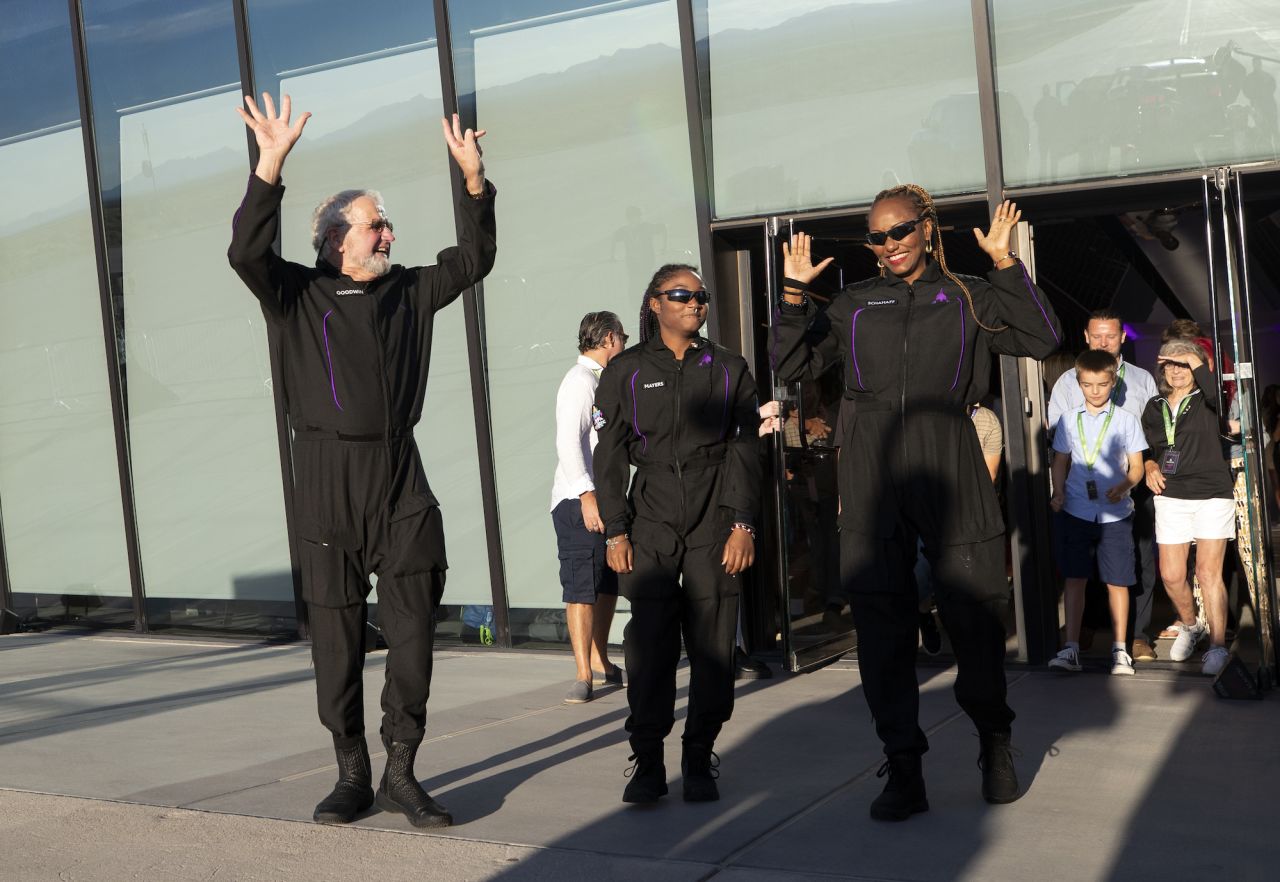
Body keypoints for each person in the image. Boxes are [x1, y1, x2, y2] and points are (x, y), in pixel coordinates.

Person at [227, 93, 495, 828]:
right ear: (339, 239)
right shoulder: (296, 295)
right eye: (376, 223)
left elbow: (476, 257)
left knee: (411, 640)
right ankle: (351, 770)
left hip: (399, 478)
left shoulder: (411, 290)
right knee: (337, 647)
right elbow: (245, 251)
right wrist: (270, 165)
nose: (388, 232)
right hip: (324, 482)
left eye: (386, 223)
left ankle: (401, 771)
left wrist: (473, 181)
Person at [775, 185, 1061, 821]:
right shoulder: (851, 304)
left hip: (950, 452)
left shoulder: (966, 297)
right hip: (872, 466)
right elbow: (790, 364)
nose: (889, 245)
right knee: (881, 627)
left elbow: (1041, 338)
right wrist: (793, 296)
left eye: (900, 231)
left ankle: (994, 739)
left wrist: (1006, 265)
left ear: (928, 229)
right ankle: (903, 765)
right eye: (876, 238)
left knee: (975, 614)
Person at [594, 264, 762, 804]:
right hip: (652, 518)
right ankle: (647, 761)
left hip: (715, 516)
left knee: (714, 644)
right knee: (649, 645)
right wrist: (616, 532)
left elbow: (744, 450)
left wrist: (742, 524)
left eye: (701, 296)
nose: (695, 303)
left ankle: (698, 758)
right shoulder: (625, 371)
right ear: (654, 304)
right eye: (681, 295)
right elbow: (610, 455)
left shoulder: (730, 368)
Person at [1046, 310, 1161, 661]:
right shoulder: (1068, 381)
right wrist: (1060, 487)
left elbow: (1153, 430)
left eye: (1110, 336)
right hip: (1083, 488)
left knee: (1136, 559)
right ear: (1086, 336)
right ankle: (1084, 632)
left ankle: (1134, 636)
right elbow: (1059, 438)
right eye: (1097, 336)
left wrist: (1144, 467)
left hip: (1131, 483)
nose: (1103, 342)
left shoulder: (1142, 380)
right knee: (1084, 565)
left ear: (1122, 337)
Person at [1142, 340, 1234, 677]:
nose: (1177, 370)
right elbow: (1147, 447)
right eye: (1170, 364)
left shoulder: (1210, 400)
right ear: (1162, 368)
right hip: (1171, 495)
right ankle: (1192, 625)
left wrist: (1194, 359)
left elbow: (1212, 388)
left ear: (1196, 366)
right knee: (1171, 574)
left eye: (1183, 364)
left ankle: (1218, 645)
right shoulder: (1154, 406)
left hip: (1211, 493)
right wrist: (1150, 464)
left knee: (1208, 572)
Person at [551, 312, 627, 704]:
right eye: (624, 337)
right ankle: (583, 673)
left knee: (607, 583)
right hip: (578, 501)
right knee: (582, 587)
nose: (626, 344)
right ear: (610, 338)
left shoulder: (604, 382)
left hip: (606, 499)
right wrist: (586, 495)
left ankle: (601, 659)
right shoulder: (579, 381)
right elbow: (567, 443)